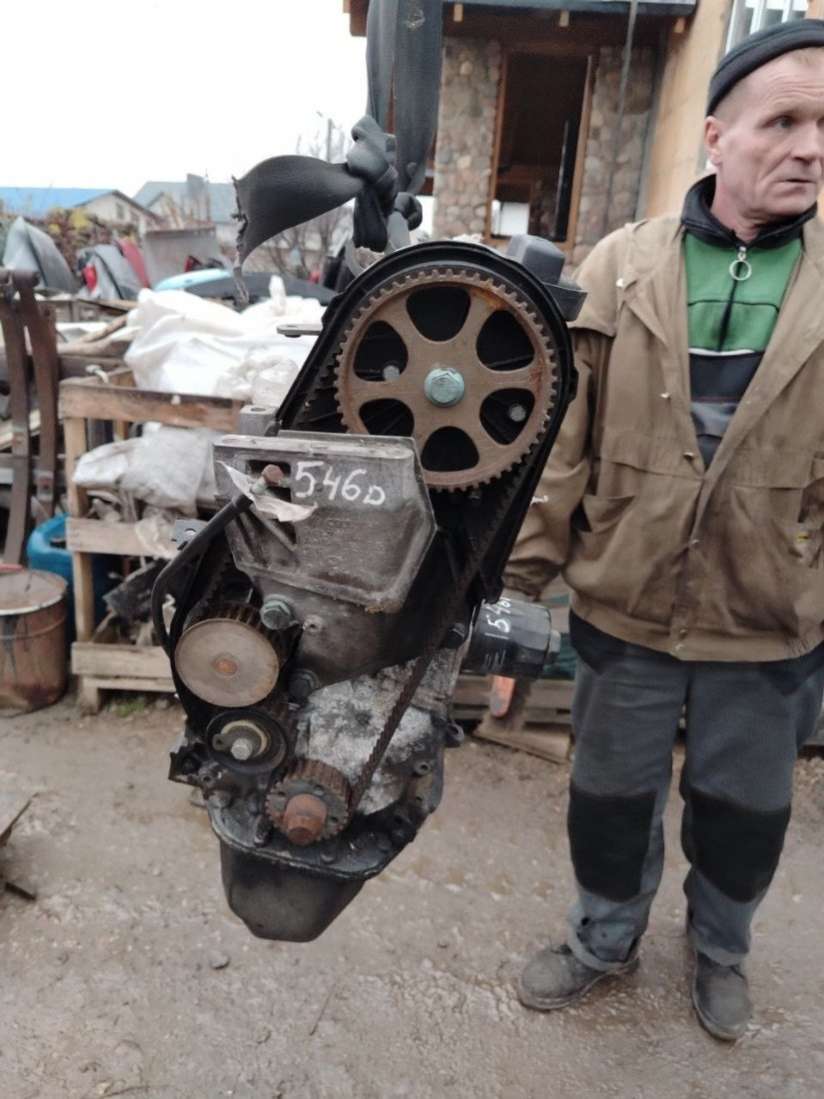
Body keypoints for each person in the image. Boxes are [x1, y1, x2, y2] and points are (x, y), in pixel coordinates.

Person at [504, 20, 824, 1041]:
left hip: (766, 613)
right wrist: (520, 579)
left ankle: (719, 950)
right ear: (716, 136)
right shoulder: (622, 265)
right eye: (783, 122)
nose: (810, 148)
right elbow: (562, 439)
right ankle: (603, 939)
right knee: (607, 796)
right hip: (626, 598)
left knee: (744, 813)